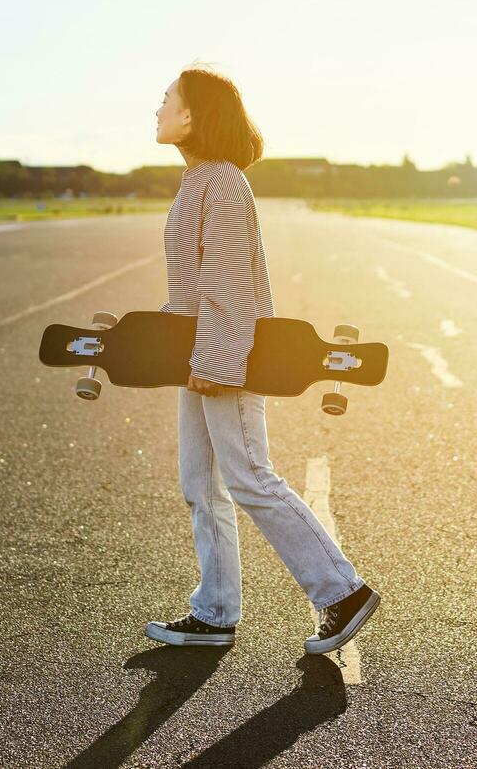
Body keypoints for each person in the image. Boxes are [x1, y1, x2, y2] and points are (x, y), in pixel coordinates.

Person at [142, 67, 379, 654]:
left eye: (167, 99)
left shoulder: (221, 183)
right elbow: (193, 285)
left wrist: (219, 360)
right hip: (197, 351)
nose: (158, 108)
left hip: (225, 354)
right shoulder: (197, 180)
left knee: (249, 475)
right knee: (200, 482)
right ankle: (215, 610)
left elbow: (232, 286)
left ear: (194, 115)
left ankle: (341, 591)